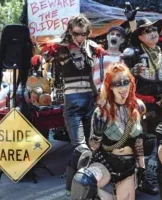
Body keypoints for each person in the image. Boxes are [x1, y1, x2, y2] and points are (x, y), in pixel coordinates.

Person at [31, 14, 107, 199]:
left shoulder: (93, 47)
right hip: (72, 101)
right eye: (77, 33)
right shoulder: (59, 47)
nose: (80, 37)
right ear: (70, 31)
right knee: (81, 147)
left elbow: (104, 66)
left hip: (91, 99)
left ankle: (77, 187)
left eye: (84, 33)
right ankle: (78, 187)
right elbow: (39, 57)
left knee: (92, 146)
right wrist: (40, 59)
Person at [71, 62, 145, 200]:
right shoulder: (102, 111)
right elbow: (93, 146)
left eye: (125, 82)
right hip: (106, 162)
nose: (123, 87)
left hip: (127, 165)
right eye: (117, 83)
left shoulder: (136, 108)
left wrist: (142, 166)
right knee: (82, 183)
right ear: (109, 86)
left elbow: (138, 140)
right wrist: (97, 135)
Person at [121, 17, 162, 194]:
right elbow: (118, 79)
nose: (152, 33)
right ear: (140, 37)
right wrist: (130, 73)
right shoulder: (131, 54)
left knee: (157, 142)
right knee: (137, 144)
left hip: (159, 107)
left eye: (153, 30)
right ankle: (135, 180)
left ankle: (150, 178)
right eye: (146, 31)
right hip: (138, 106)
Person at [92, 26, 126, 91]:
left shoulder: (124, 58)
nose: (114, 36)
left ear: (122, 40)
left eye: (118, 35)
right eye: (112, 34)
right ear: (107, 37)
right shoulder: (97, 55)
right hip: (98, 95)